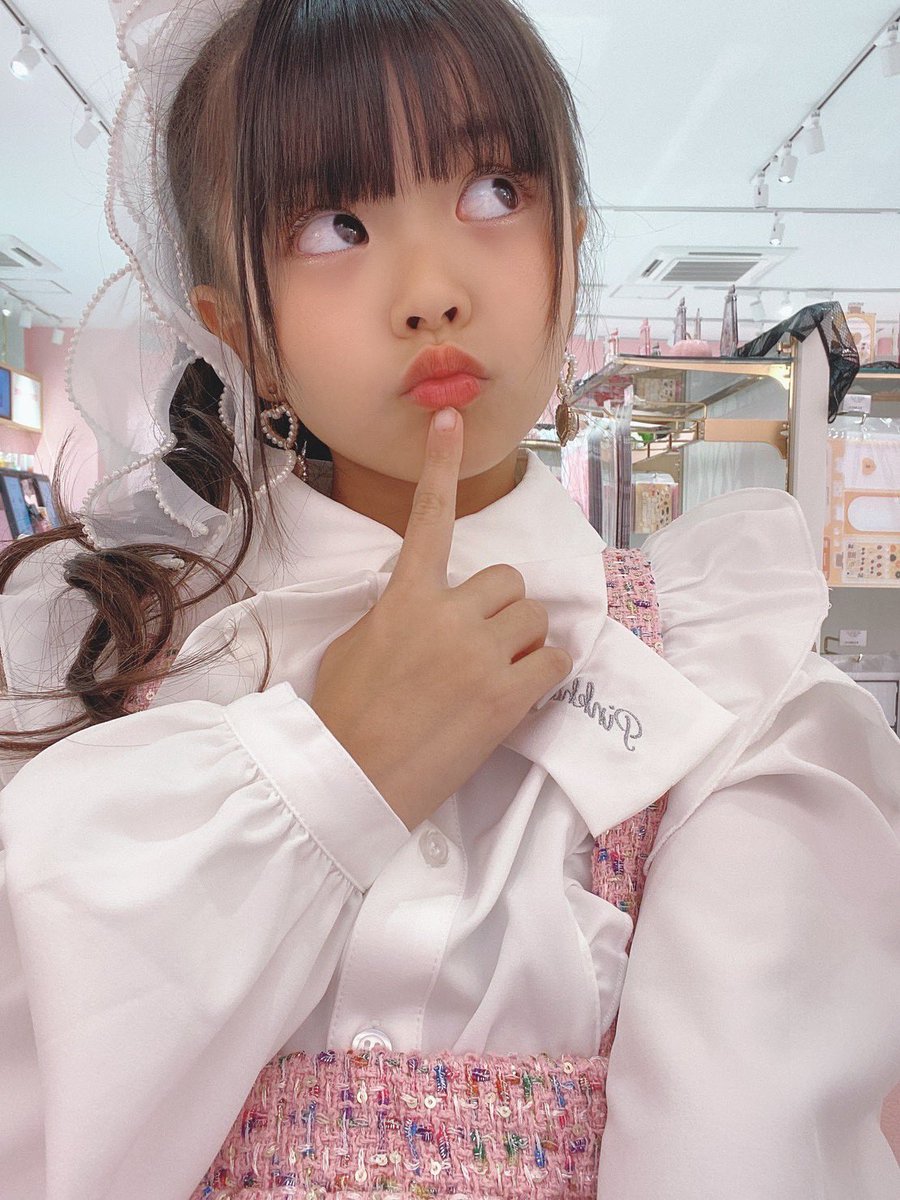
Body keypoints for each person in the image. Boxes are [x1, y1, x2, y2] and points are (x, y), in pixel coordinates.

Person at [0, 2, 898, 1198]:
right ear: (239, 335)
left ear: (569, 245)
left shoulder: (724, 681)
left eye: (492, 192)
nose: (431, 291)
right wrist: (333, 769)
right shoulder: (103, 651)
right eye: (334, 223)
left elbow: (751, 1145)